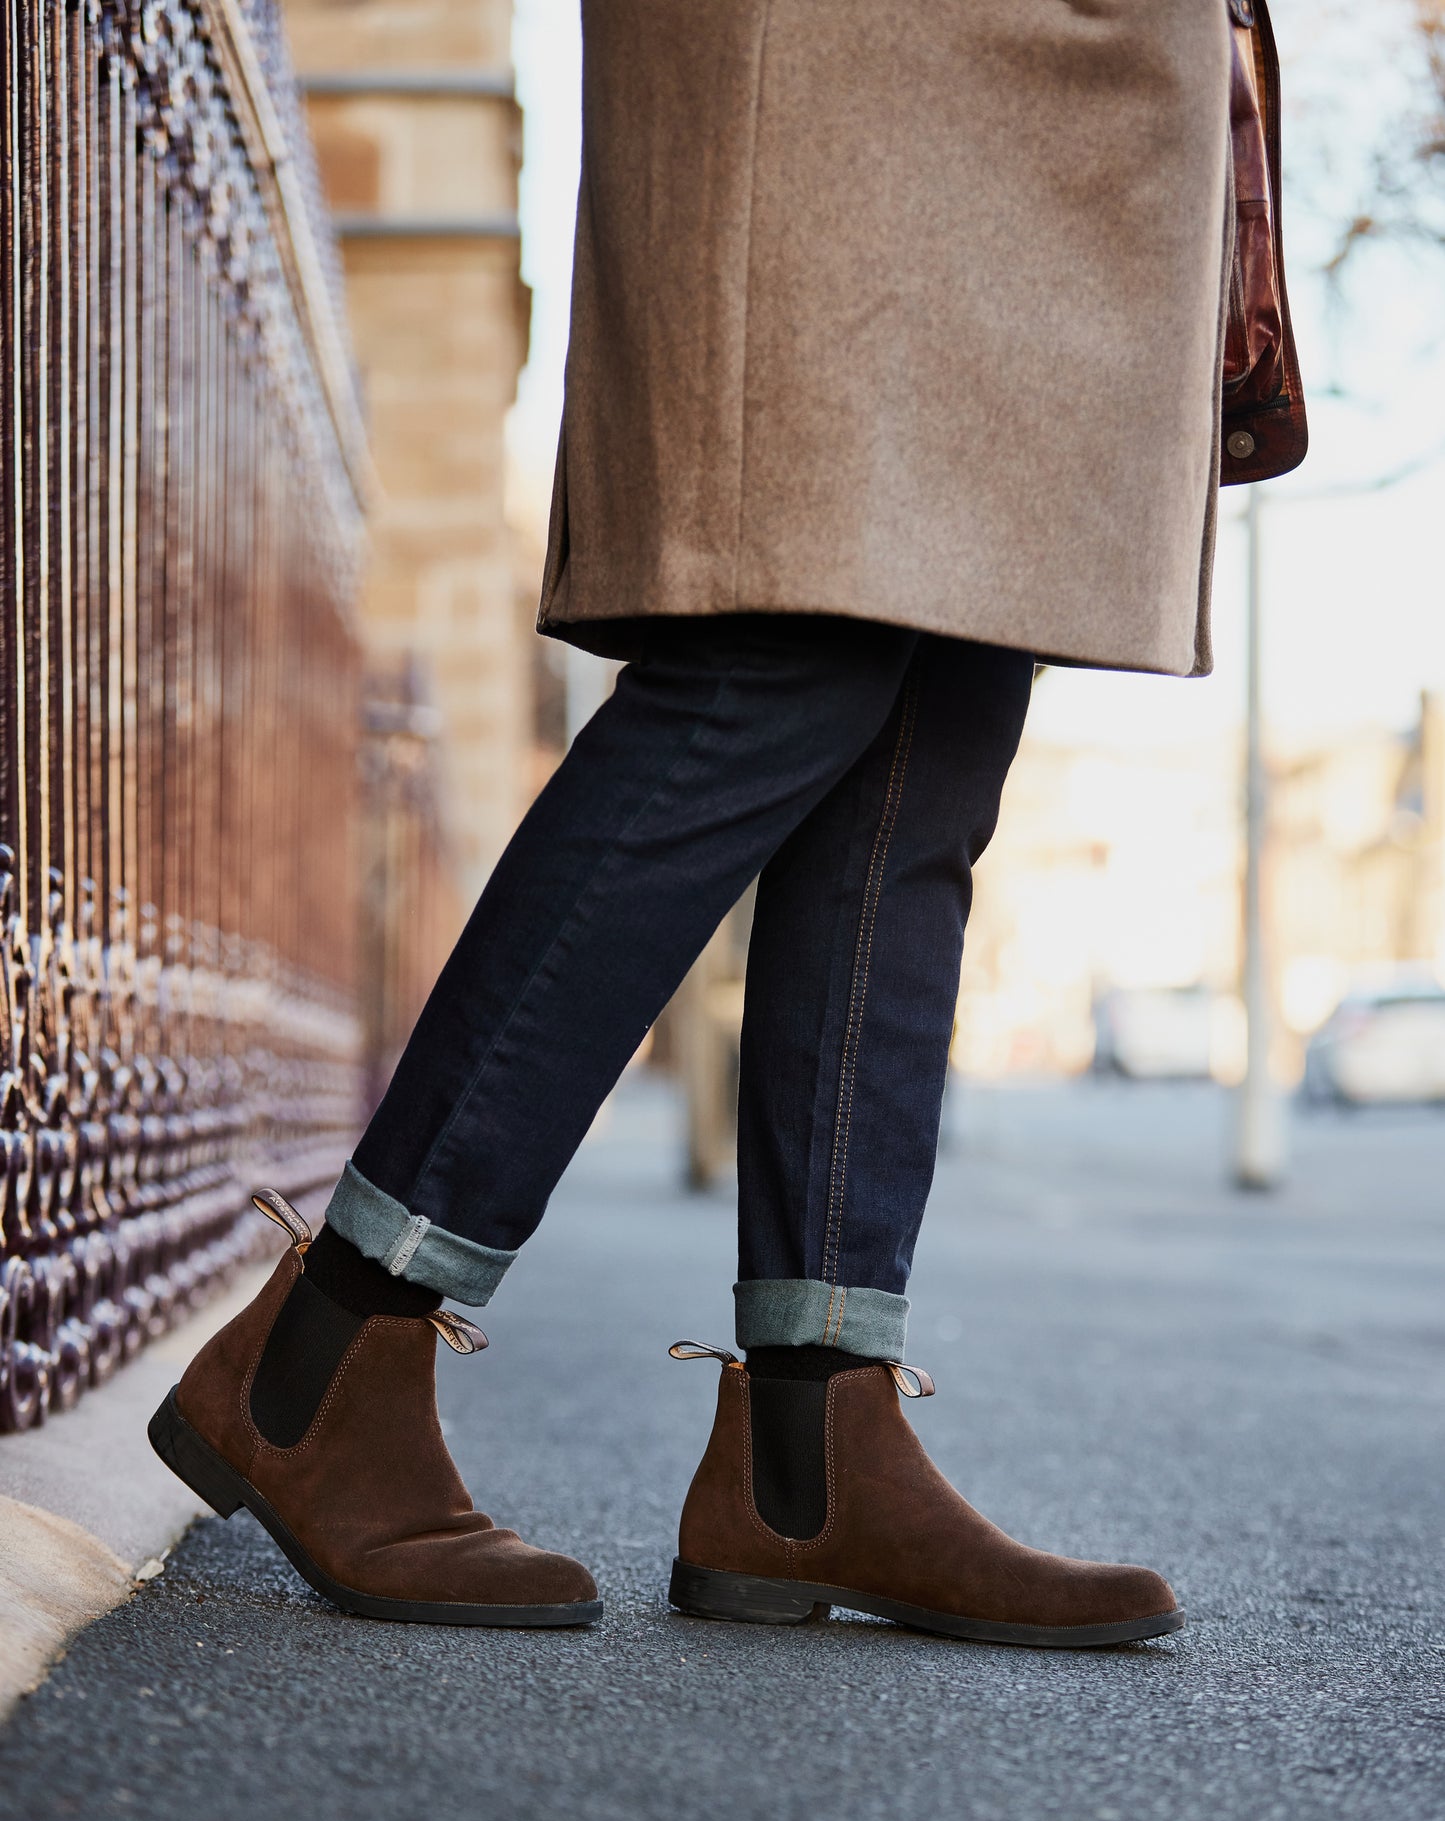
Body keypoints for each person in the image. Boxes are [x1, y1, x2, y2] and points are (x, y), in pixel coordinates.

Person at [150, 0, 1236, 1647]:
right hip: (863, 50)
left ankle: (810, 1458)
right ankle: (326, 1347)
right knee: (779, 646)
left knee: (945, 702)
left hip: (1075, 72)